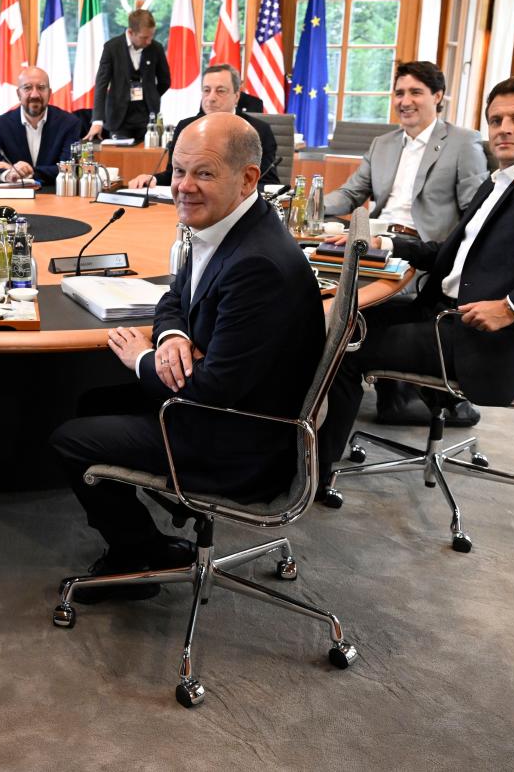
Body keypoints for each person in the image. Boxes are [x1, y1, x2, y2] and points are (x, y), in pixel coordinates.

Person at [50, 113, 324, 603]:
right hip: (231, 409)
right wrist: (174, 335)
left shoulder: (256, 263)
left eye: (203, 173)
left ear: (247, 179)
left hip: (238, 441)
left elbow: (211, 390)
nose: (183, 186)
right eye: (178, 171)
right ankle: (148, 545)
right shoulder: (229, 225)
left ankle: (137, 556)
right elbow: (173, 296)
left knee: (72, 438)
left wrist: (142, 359)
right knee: (90, 402)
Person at [317, 76, 514, 497]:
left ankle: (315, 472)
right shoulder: (501, 181)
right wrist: (386, 242)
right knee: (345, 317)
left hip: (476, 335)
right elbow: (452, 253)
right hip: (440, 308)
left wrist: (513, 307)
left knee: (344, 344)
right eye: (496, 120)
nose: (504, 128)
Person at [321, 61, 491, 426]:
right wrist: (311, 206)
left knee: (363, 303)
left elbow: (475, 216)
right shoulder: (382, 144)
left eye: (415, 92)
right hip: (378, 242)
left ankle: (399, 391)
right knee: (321, 285)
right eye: (399, 92)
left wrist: (442, 253)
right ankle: (324, 385)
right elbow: (352, 193)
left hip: (425, 251)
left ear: (438, 96)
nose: (405, 100)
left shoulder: (463, 142)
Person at [128, 64, 280, 189]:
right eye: (206, 90)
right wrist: (152, 179)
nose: (211, 98)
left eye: (220, 91)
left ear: (236, 96)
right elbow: (174, 174)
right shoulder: (186, 127)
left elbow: (268, 182)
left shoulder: (259, 130)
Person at [0, 66, 79, 187]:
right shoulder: (0, 124)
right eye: (27, 88)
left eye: (41, 87)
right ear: (18, 93)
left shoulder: (69, 123)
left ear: (49, 93)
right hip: (15, 199)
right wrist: (8, 174)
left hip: (55, 197)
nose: (34, 94)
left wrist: (21, 170)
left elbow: (70, 169)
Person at [84, 9, 172, 141]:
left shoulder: (156, 48)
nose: (149, 41)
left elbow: (165, 81)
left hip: (147, 118)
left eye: (151, 36)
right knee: (120, 158)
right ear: (131, 32)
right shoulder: (111, 48)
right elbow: (101, 84)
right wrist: (97, 120)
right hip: (119, 118)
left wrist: (151, 95)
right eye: (144, 37)